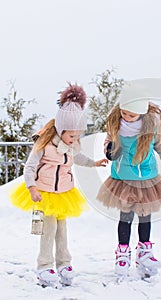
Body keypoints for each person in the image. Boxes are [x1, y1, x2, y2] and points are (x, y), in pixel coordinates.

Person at [10, 83, 108, 287]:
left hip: (64, 193)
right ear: (61, 129)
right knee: (49, 230)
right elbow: (29, 167)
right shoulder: (44, 145)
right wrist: (32, 187)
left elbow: (78, 157)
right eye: (71, 135)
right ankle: (45, 266)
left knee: (62, 230)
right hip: (44, 193)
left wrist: (94, 163)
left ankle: (64, 263)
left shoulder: (70, 146)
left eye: (77, 136)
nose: (74, 140)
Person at [96, 83, 161, 278]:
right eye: (124, 113)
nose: (127, 117)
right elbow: (107, 141)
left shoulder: (151, 125)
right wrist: (109, 150)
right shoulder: (115, 124)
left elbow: (159, 144)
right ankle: (122, 252)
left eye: (132, 115)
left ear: (141, 113)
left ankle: (144, 250)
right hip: (123, 178)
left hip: (146, 177)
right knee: (126, 216)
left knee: (145, 216)